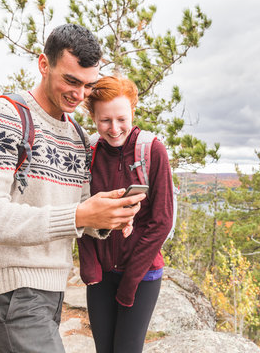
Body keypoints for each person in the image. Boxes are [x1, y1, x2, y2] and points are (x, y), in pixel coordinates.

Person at [0, 24, 145, 353]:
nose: (80, 94)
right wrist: (80, 214)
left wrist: (106, 217)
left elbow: (80, 208)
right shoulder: (1, 117)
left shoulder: (77, 136)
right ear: (44, 64)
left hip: (51, 289)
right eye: (71, 81)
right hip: (9, 291)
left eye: (88, 85)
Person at [77, 75, 174, 353]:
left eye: (121, 118)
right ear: (93, 116)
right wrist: (91, 266)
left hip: (142, 275)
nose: (114, 128)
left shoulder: (151, 150)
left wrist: (131, 280)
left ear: (133, 110)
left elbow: (161, 221)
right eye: (105, 120)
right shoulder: (89, 152)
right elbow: (81, 209)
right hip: (101, 274)